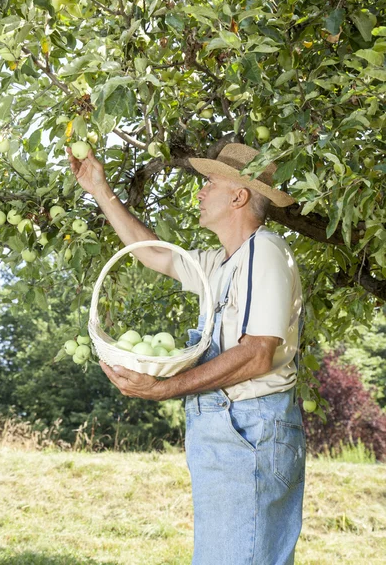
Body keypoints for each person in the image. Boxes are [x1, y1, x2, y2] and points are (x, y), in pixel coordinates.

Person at [67, 142, 305, 565]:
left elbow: (256, 355)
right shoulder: (223, 262)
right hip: (228, 429)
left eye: (209, 182)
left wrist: (164, 389)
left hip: (248, 429)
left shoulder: (264, 251)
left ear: (238, 196)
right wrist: (100, 189)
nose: (200, 191)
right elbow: (154, 254)